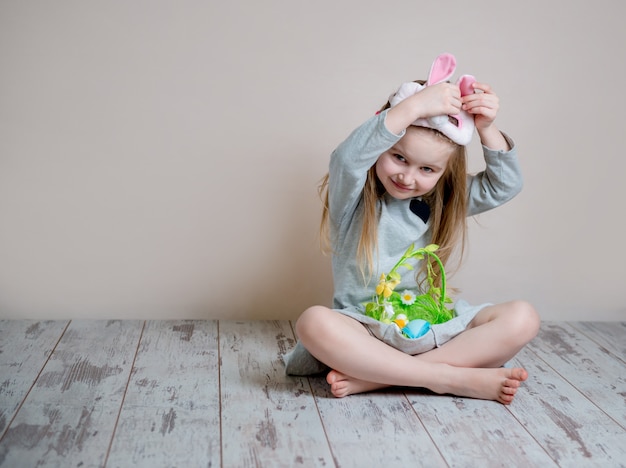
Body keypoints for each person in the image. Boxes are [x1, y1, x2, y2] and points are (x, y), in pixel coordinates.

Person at [285, 56, 540, 405]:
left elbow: (504, 185)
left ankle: (376, 379)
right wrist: (413, 107)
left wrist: (486, 128)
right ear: (380, 147)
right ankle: (445, 377)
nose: (408, 177)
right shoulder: (353, 198)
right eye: (399, 158)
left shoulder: (441, 201)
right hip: (364, 331)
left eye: (427, 168)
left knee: (523, 317)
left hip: (428, 328)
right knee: (313, 322)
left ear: (443, 173)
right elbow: (347, 158)